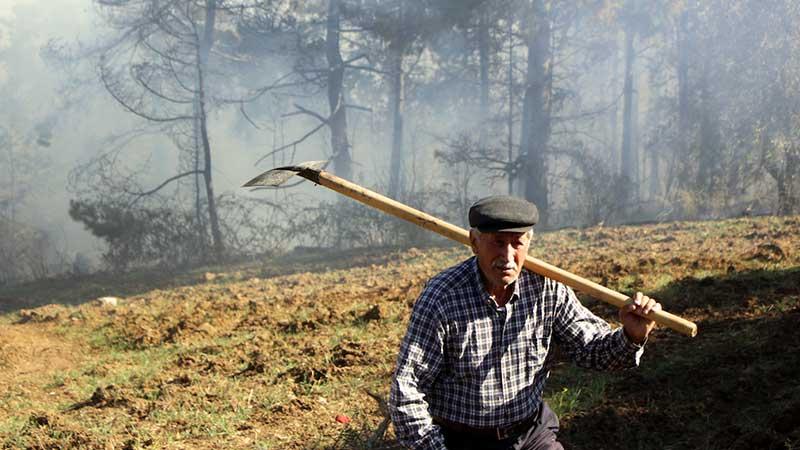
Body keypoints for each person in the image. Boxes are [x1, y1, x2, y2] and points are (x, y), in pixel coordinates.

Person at [389, 195, 660, 450]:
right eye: (497, 242)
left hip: (530, 435)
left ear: (529, 242)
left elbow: (592, 350)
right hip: (462, 439)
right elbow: (407, 387)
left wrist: (631, 337)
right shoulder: (442, 297)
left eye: (517, 243)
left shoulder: (547, 289)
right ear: (474, 241)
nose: (508, 257)